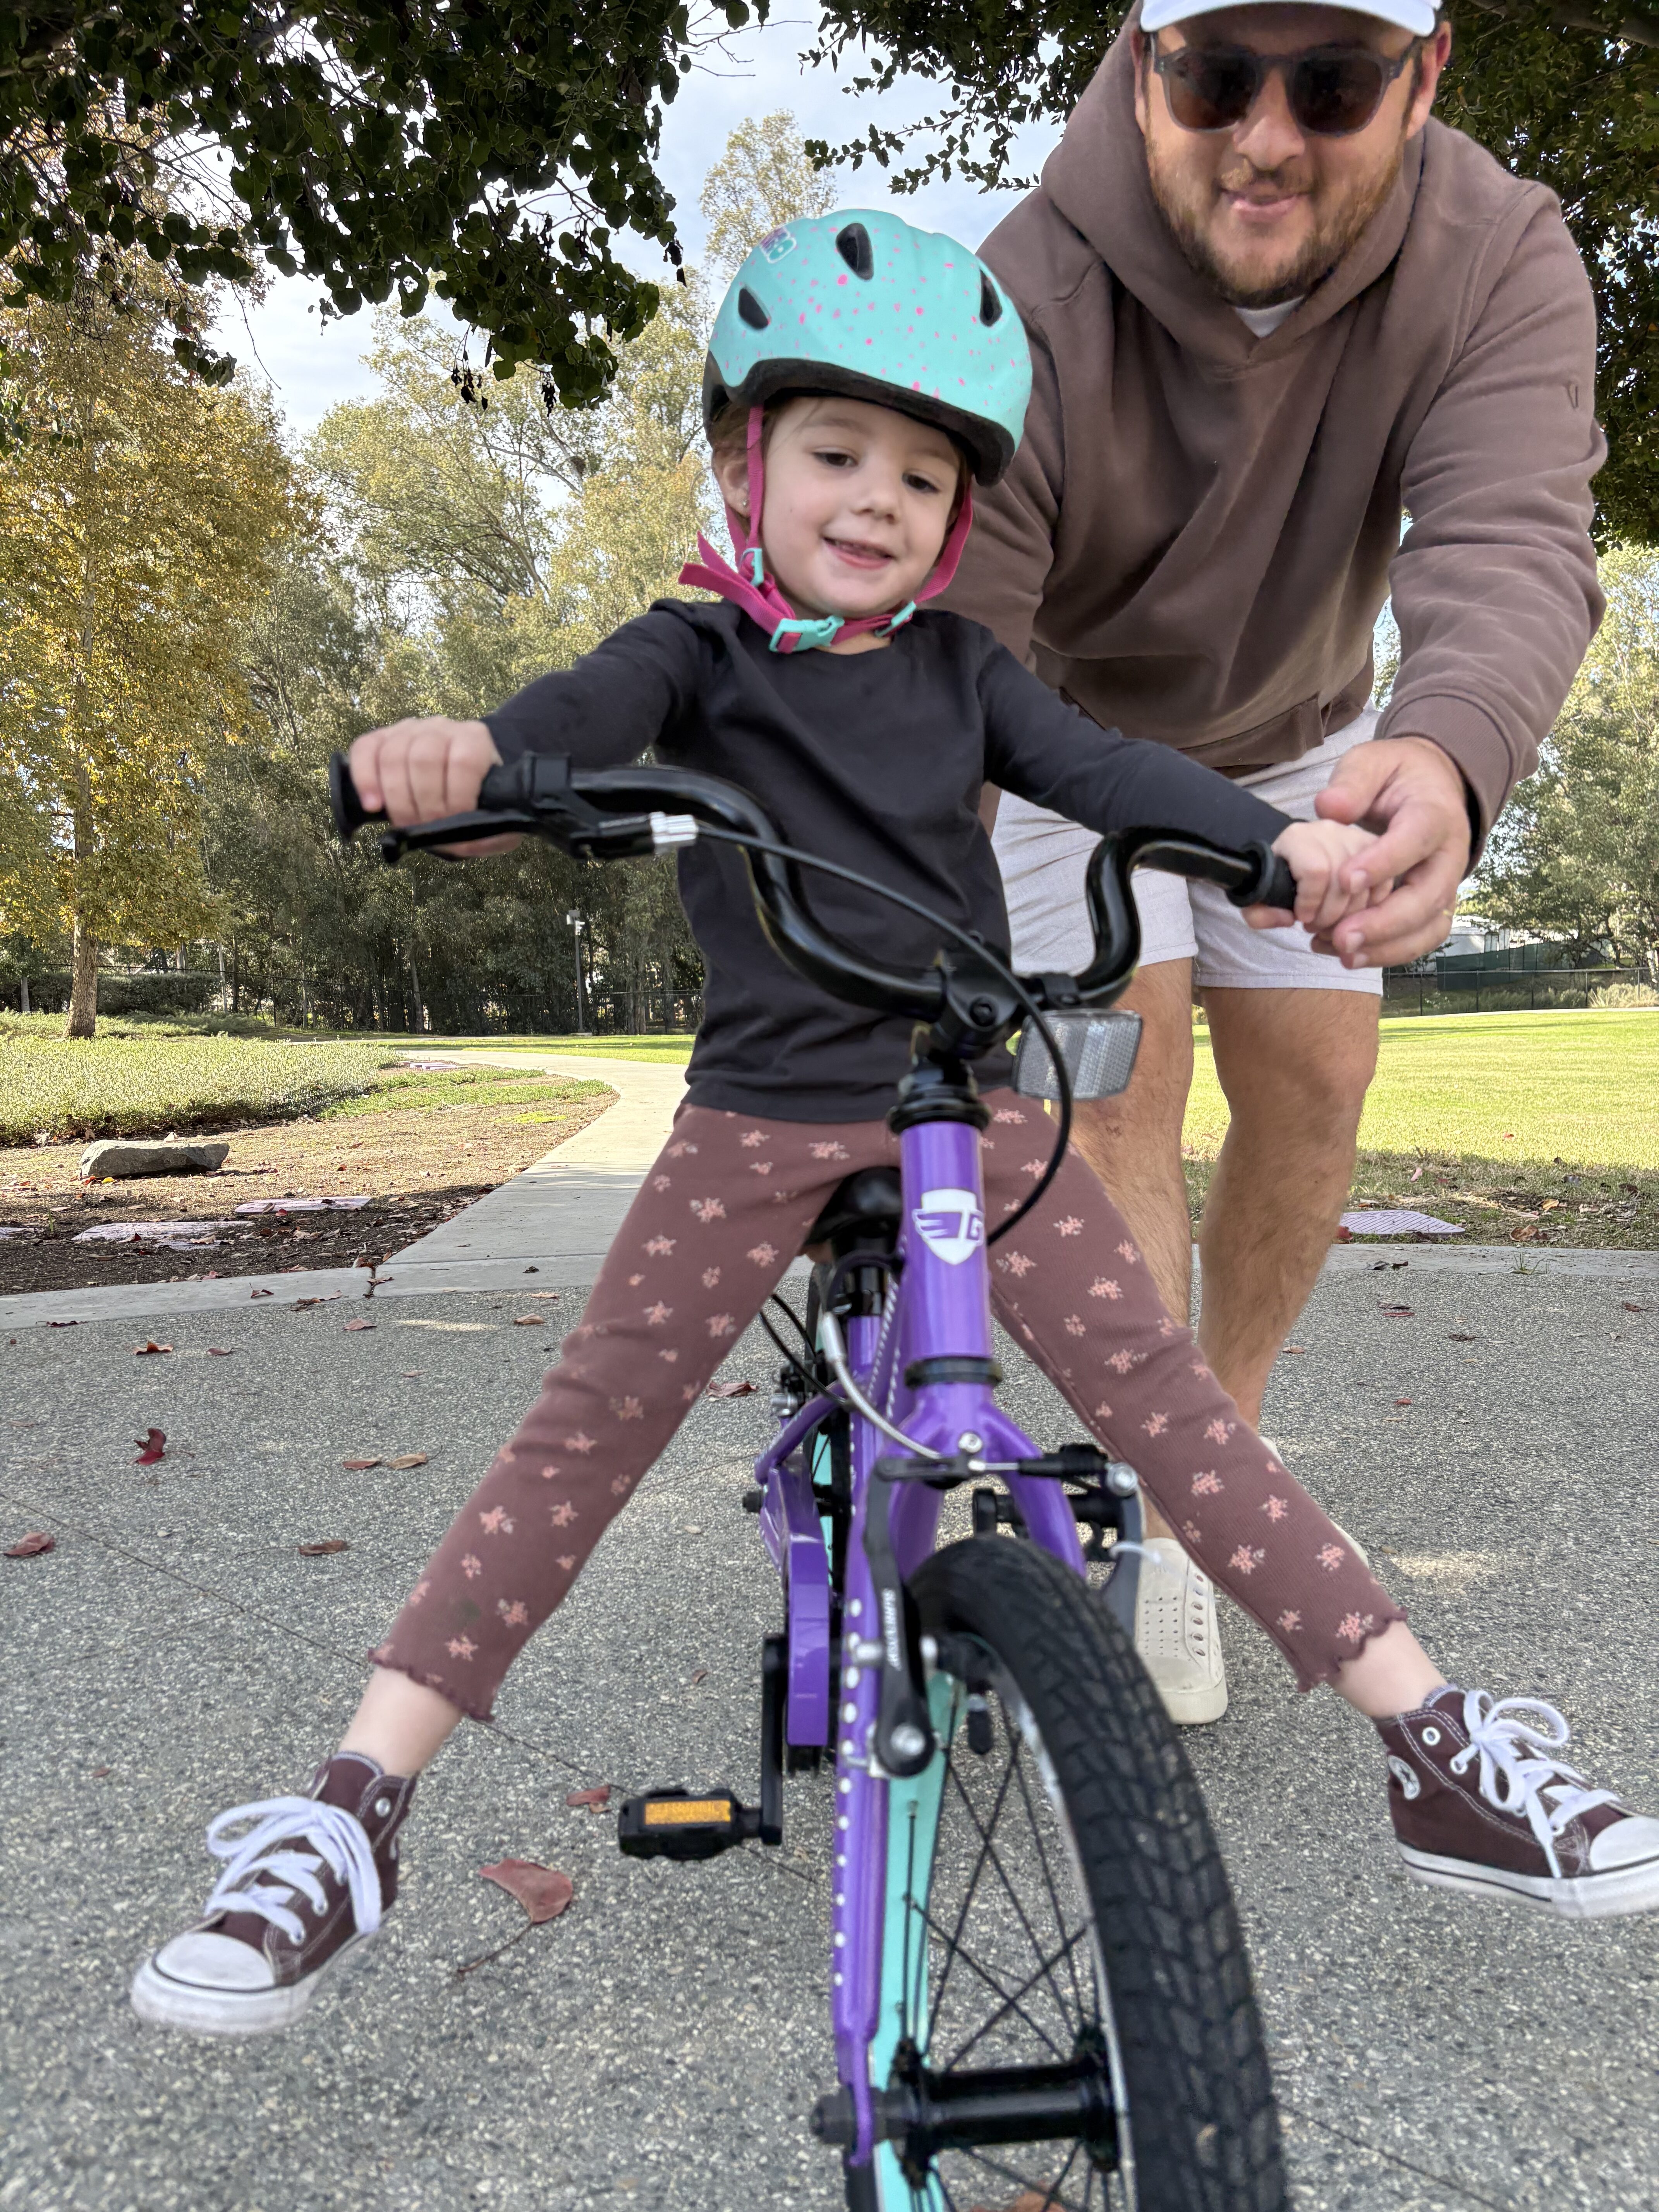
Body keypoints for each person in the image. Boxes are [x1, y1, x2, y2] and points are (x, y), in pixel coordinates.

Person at [131, 212, 1657, 2040]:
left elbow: (1109, 770)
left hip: (960, 1107)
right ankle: (351, 1807)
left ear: (958, 516)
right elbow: (575, 725)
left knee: (1163, 1396)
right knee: (588, 1430)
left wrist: (1281, 847)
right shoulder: (694, 653)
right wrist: (469, 765)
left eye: (924, 476)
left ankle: (1438, 1745)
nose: (878, 498)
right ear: (745, 463)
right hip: (759, 1118)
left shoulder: (963, 673)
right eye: (837, 452)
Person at [943, 0, 1607, 1724]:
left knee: (1317, 1083)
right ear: (1141, 63)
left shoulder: (1498, 251)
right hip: (1057, 729)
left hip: (1310, 727)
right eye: (1219, 76)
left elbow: (1511, 530)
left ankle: (1203, 1458)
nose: (1266, 138)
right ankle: (1162, 1511)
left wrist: (1450, 747)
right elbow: (959, 640)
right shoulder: (1020, 295)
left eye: (1331, 85)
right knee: (1124, 1082)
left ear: (1425, 72)